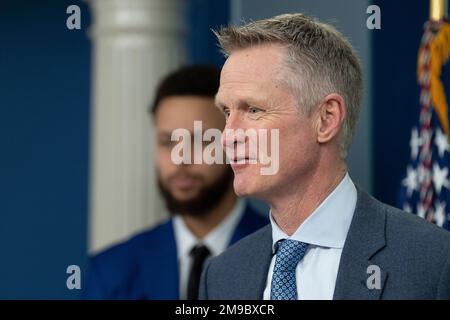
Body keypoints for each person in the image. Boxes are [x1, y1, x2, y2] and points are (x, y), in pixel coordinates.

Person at [199, 13, 450, 300]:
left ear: (327, 119)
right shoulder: (221, 275)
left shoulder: (434, 262)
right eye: (227, 112)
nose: (228, 135)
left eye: (253, 110)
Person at [84, 65, 268, 299]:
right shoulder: (112, 270)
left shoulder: (278, 255)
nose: (180, 158)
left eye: (201, 140)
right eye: (168, 141)